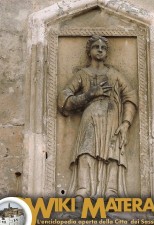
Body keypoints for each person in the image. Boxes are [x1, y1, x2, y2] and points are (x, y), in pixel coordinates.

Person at [57, 35, 138, 200]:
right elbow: (63, 100)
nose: (100, 49)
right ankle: (83, 190)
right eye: (96, 46)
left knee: (113, 152)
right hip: (91, 118)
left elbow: (130, 97)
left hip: (112, 119)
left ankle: (111, 191)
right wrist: (89, 95)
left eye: (103, 47)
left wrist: (126, 123)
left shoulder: (114, 75)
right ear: (89, 50)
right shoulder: (83, 74)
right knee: (86, 151)